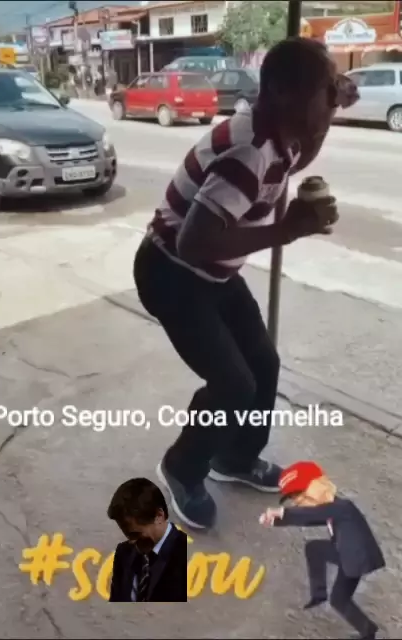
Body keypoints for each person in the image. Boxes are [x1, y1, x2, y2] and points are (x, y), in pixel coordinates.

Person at [133, 37, 359, 530]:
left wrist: (327, 111)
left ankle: (234, 457)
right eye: (326, 89)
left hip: (213, 273)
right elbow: (194, 242)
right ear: (282, 93)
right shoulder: (248, 150)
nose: (334, 98)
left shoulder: (278, 132)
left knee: (263, 364)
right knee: (233, 382)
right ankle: (182, 467)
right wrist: (288, 230)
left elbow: (300, 157)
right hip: (172, 273)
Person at [260, 461, 385, 640]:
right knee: (315, 550)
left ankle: (367, 633)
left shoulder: (342, 507)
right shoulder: (330, 511)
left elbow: (311, 514)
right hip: (344, 552)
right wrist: (276, 521)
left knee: (339, 599)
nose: (299, 500)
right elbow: (311, 519)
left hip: (356, 559)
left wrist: (281, 512)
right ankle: (320, 594)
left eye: (302, 492)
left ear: (322, 483)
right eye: (295, 498)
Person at [108, 477, 187, 602]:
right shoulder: (123, 553)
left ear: (159, 516)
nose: (132, 542)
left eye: (136, 534)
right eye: (128, 535)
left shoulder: (185, 552)